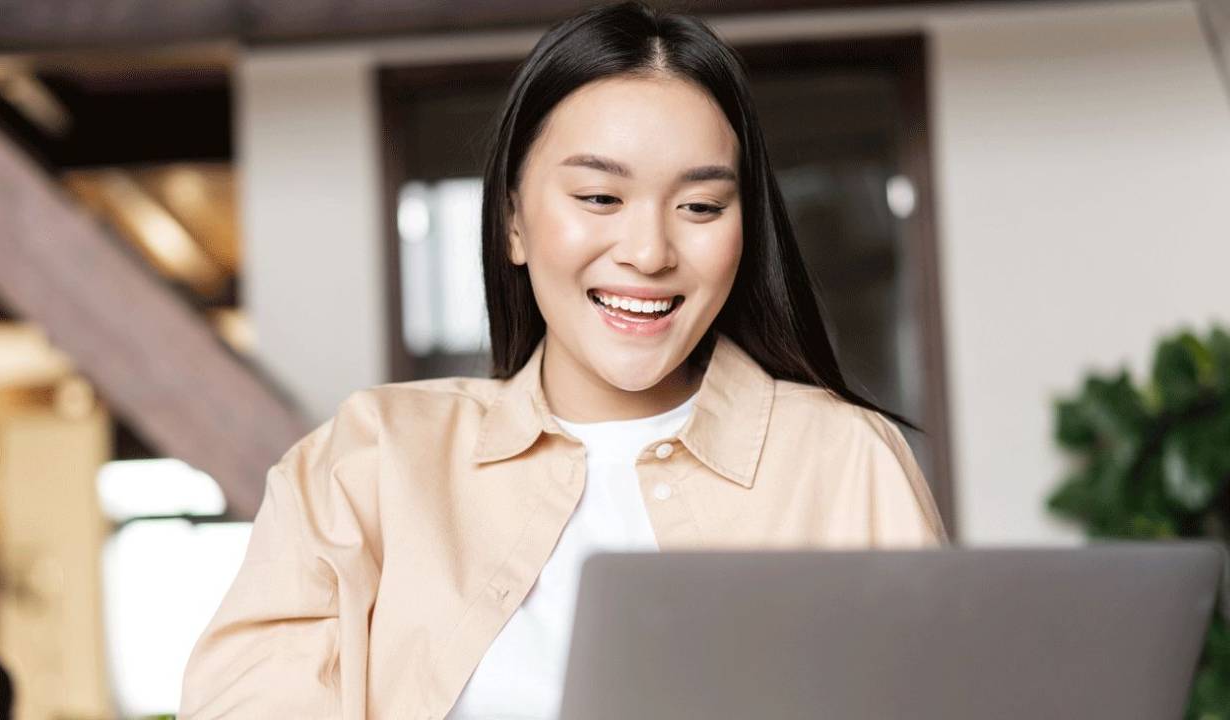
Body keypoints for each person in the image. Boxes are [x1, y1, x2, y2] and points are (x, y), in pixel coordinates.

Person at [178, 2, 948, 718]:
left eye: (702, 206)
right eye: (600, 199)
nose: (648, 252)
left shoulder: (845, 462)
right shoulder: (369, 462)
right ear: (513, 221)